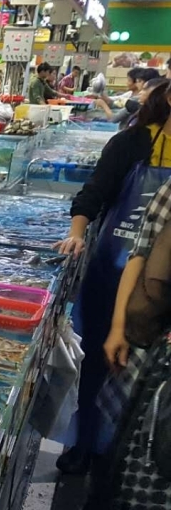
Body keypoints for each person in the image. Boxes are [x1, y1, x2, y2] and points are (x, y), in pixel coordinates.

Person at [53, 79, 171, 473]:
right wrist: (76, 233)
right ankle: (83, 442)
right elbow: (94, 192)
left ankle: (127, 454)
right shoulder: (131, 143)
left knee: (149, 372)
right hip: (112, 269)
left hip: (162, 283)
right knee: (97, 360)